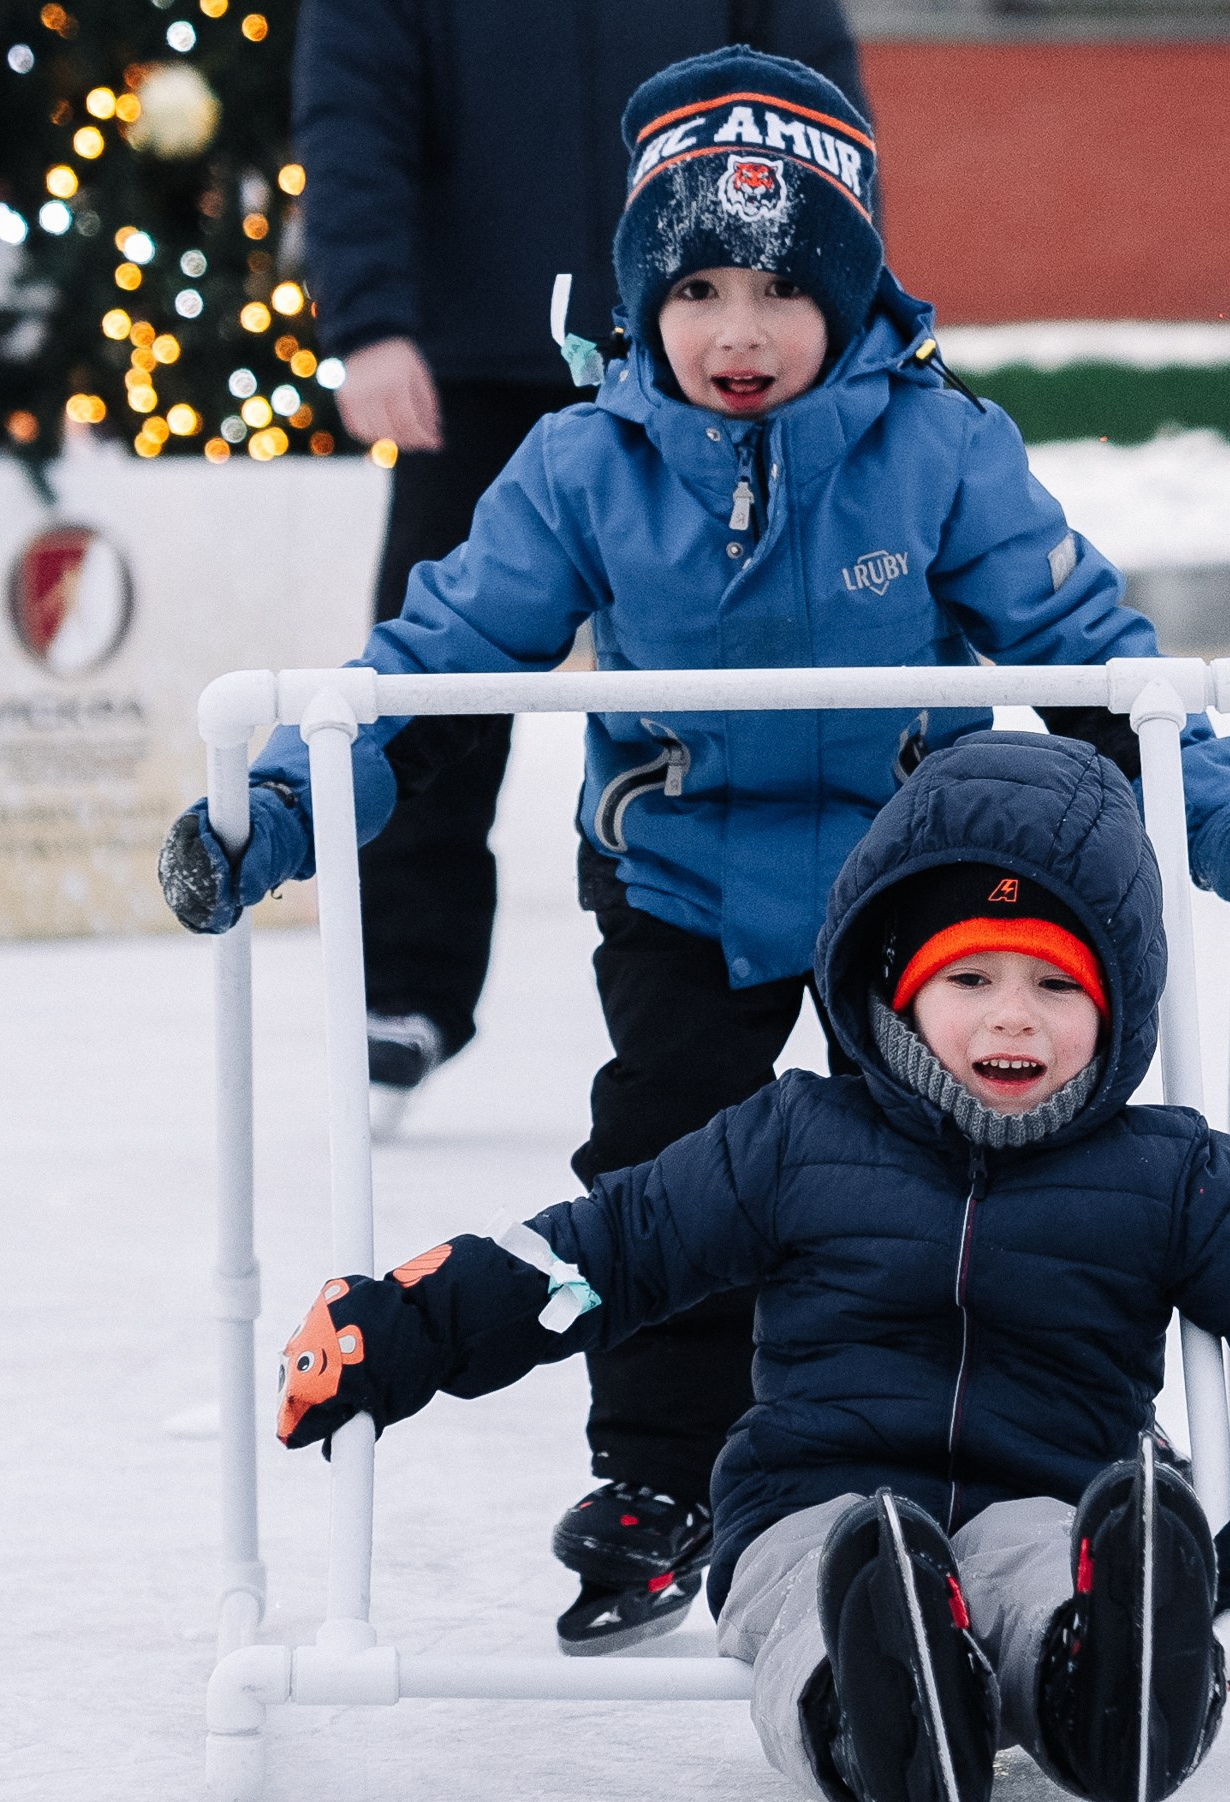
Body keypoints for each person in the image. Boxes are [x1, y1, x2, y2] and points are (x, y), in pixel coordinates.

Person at [158, 47, 1230, 1654]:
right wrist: (285, 804)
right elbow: (429, 664)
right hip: (680, 880)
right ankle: (656, 1478)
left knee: (937, 1172)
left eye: (781, 291)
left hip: (898, 891)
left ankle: (1024, 1467)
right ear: (644, 300)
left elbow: (1082, 652)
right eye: (697, 286)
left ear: (849, 299)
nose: (737, 331)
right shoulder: (584, 461)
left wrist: (1223, 819)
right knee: (664, 1171)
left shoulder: (942, 449)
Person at [267, 731, 1230, 1802]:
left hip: (1048, 1491)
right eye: (969, 978)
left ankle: (1111, 1688)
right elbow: (605, 1248)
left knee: (1045, 1563)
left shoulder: (1171, 1172)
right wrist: (404, 1325)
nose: (1013, 1018)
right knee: (829, 1586)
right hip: (817, 1500)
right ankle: (871, 1713)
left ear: (1118, 1000)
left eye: (1056, 983)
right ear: (895, 988)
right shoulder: (794, 1139)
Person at [291, 1, 871, 1106]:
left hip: (711, 348)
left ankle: (813, 978)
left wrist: (839, 309)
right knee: (443, 673)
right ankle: (404, 987)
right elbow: (354, 112)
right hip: (474, 357)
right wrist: (367, 317)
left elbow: (817, 102)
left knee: (775, 654)